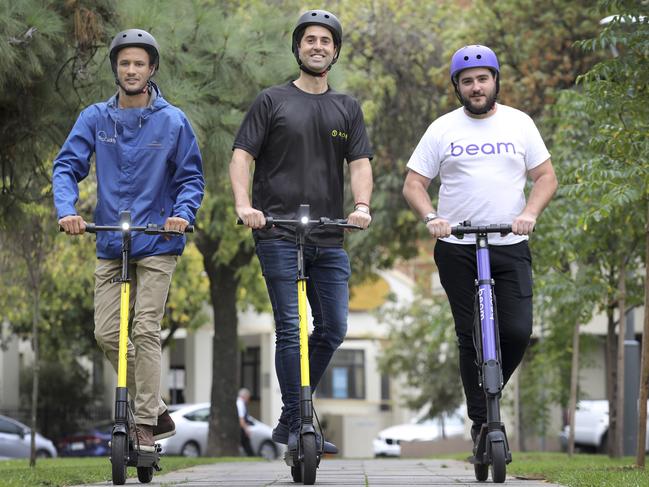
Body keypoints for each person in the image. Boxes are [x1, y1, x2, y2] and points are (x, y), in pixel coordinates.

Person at [53, 29, 205, 452]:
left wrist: (181, 214)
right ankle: (155, 408)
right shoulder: (95, 118)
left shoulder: (172, 120)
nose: (132, 70)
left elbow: (191, 177)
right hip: (110, 242)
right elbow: (67, 166)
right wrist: (68, 210)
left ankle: (141, 425)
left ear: (152, 69)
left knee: (145, 329)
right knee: (106, 333)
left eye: (140, 63)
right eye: (125, 63)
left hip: (157, 241)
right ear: (116, 69)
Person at [229, 9, 373, 454]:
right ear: (297, 48)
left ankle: (291, 415)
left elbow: (360, 164)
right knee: (291, 328)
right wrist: (244, 206)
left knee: (334, 327)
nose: (317, 46)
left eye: (325, 41)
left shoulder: (346, 107)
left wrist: (362, 206)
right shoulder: (271, 101)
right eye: (309, 39)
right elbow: (241, 156)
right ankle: (300, 424)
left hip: (329, 235)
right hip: (277, 232)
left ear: (335, 51)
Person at [402, 45, 557, 445]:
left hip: (509, 241)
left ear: (495, 81)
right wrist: (431, 217)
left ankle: (491, 389)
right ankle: (482, 420)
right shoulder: (442, 129)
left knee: (518, 331)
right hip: (457, 246)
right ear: (457, 86)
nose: (475, 87)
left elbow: (545, 177)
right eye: (467, 81)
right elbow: (414, 184)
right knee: (469, 334)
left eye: (482, 79)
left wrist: (531, 213)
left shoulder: (519, 124)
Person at [237, 388, 255, 456]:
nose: (248, 400)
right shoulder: (240, 404)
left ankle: (251, 456)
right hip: (240, 429)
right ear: (245, 396)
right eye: (248, 397)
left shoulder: (240, 403)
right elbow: (241, 419)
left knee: (246, 445)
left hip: (240, 429)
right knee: (247, 445)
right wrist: (246, 429)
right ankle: (252, 457)